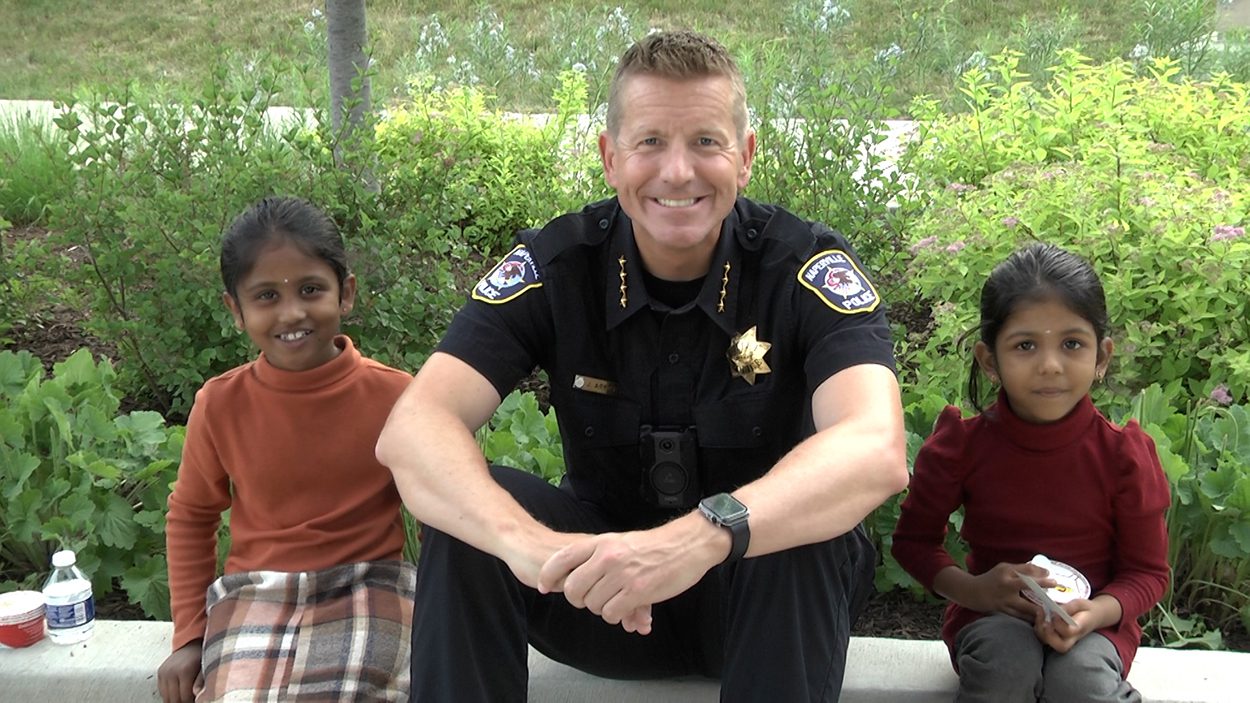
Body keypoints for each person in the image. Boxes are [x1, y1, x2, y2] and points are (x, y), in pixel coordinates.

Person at [375, 30, 908, 702]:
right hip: (600, 595)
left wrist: (704, 534)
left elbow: (875, 445)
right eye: (651, 141)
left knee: (805, 534)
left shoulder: (802, 267)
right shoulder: (559, 264)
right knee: (472, 517)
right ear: (609, 157)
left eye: (706, 142)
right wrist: (527, 544)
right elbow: (414, 427)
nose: (678, 171)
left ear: (745, 157)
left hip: (763, 601)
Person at [157, 197, 415, 703]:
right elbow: (190, 517)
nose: (292, 312)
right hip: (256, 593)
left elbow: (440, 513)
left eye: (311, 289)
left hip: (371, 585)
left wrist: (449, 613)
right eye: (267, 295)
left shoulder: (397, 397)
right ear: (236, 309)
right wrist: (189, 635)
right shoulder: (220, 404)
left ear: (347, 294)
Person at [891, 242, 1170, 702]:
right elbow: (914, 543)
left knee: (1080, 683)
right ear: (989, 360)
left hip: (1095, 625)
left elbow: (1148, 573)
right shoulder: (961, 447)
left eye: (1072, 344)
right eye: (1025, 345)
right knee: (1005, 667)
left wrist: (1094, 613)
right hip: (991, 619)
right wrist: (976, 591)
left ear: (1101, 357)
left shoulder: (1124, 455)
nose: (1050, 365)